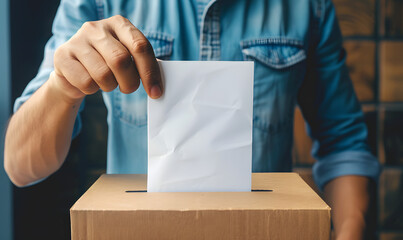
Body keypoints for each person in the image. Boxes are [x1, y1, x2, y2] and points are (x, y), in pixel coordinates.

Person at [4, 0, 381, 239]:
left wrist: (348, 231)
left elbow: (343, 143)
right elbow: (19, 166)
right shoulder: (97, 3)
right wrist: (62, 87)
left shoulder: (307, 7)